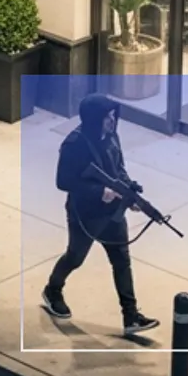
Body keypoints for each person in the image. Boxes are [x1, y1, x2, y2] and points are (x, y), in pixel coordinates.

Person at [42, 93, 159, 336]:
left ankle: (131, 316)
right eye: (107, 118)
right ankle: (53, 289)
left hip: (112, 213)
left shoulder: (112, 136)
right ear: (94, 119)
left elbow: (119, 169)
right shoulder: (75, 144)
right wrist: (99, 192)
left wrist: (130, 195)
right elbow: (63, 181)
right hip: (85, 214)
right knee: (75, 257)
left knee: (122, 261)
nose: (112, 122)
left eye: (113, 116)